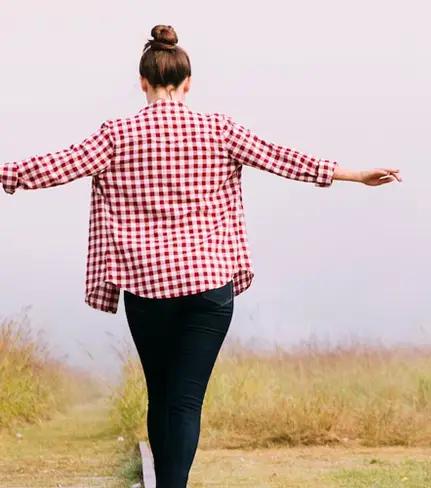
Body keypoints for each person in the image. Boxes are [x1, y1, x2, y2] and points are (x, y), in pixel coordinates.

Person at [0, 24, 401, 488]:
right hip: (210, 287)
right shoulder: (219, 129)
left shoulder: (116, 134)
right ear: (188, 83)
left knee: (161, 394)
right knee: (187, 400)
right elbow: (282, 158)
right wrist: (352, 173)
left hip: (146, 287)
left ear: (142, 83)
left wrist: (5, 173)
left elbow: (54, 166)